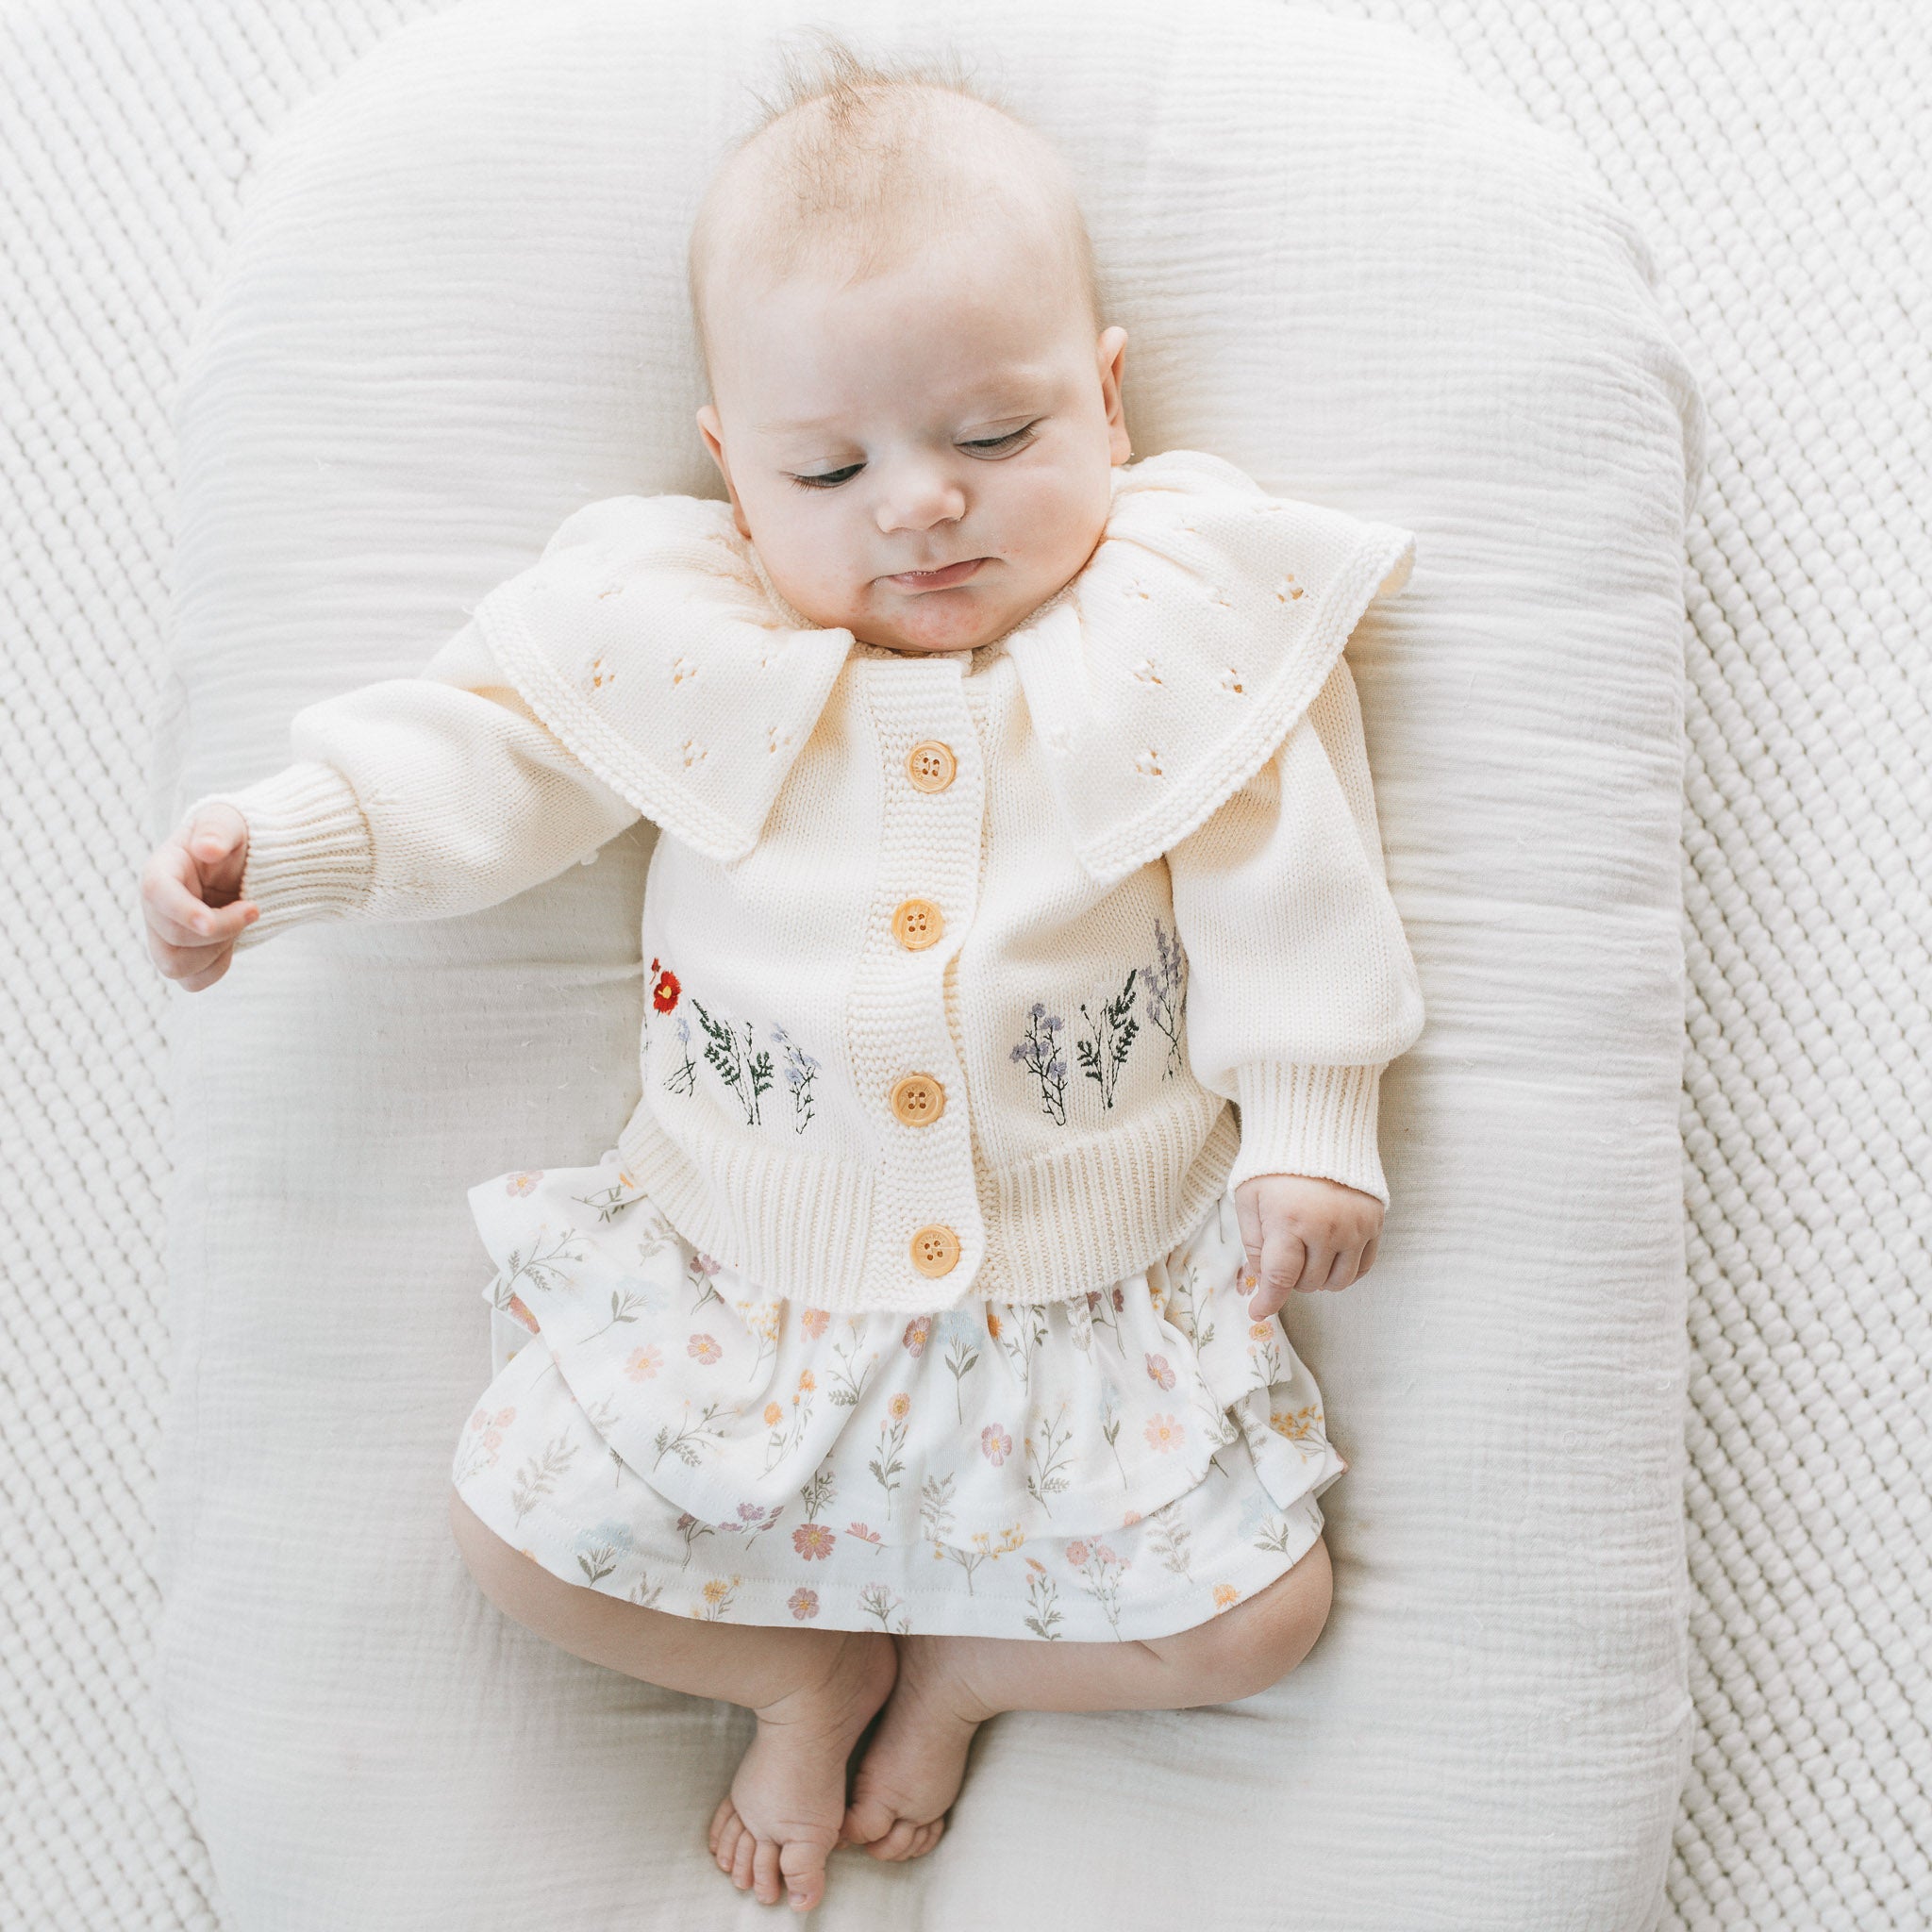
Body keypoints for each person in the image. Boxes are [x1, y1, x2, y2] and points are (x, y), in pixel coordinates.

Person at [141, 39, 1424, 1917]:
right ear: (733, 466)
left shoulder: (1166, 634)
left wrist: (1314, 1120)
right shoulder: (678, 637)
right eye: (834, 465)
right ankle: (792, 1666)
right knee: (516, 1533)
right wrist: (294, 837)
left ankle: (984, 1669)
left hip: (1087, 1295)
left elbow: (1283, 870)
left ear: (1108, 397)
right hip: (747, 1288)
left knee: (1258, 1612)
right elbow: (487, 758)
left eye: (995, 438)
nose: (921, 507)